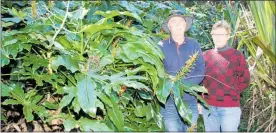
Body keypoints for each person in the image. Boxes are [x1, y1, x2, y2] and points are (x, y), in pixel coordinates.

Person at [158, 10, 205, 131]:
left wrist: (185, 84)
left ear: (185, 25)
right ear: (169, 27)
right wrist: (170, 83)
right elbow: (157, 70)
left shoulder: (194, 45)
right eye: (174, 22)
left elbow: (201, 69)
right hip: (169, 102)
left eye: (181, 22)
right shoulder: (160, 46)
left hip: (189, 99)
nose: (178, 24)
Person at [201, 20, 250, 132]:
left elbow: (245, 78)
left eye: (222, 34)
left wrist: (232, 92)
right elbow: (200, 81)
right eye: (215, 34)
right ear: (212, 35)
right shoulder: (205, 55)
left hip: (229, 107)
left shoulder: (236, 55)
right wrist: (200, 101)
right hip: (209, 107)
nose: (218, 38)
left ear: (228, 36)